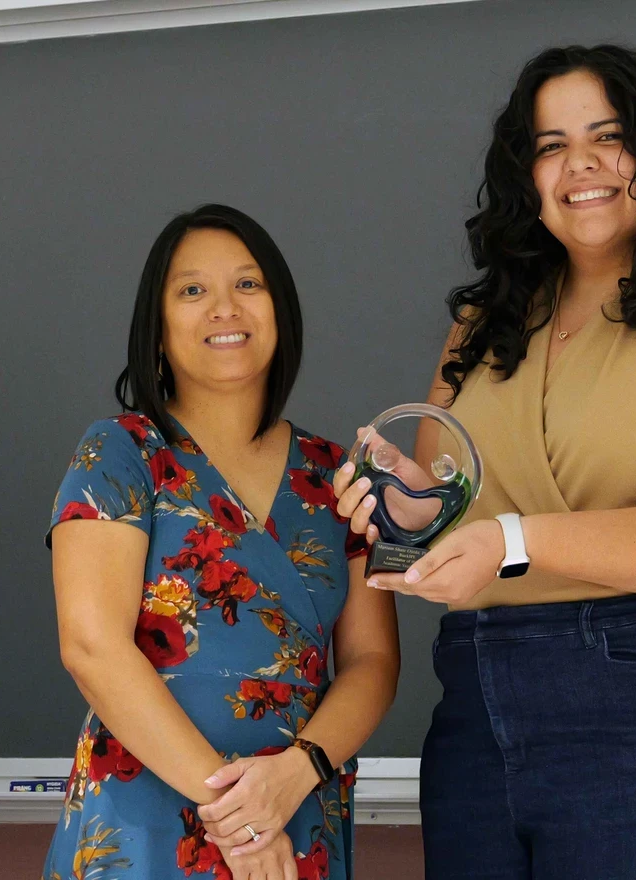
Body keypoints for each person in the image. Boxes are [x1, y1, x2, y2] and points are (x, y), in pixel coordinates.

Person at [334, 45, 636, 880]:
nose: (579, 164)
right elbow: (450, 517)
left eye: (608, 136)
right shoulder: (483, 326)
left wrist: (515, 543)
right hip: (476, 713)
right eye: (551, 145)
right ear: (526, 175)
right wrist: (401, 510)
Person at [44, 203, 399, 880]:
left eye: (248, 283)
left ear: (280, 311)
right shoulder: (121, 452)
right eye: (192, 290)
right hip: (146, 818)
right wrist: (240, 818)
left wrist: (295, 774)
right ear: (157, 327)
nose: (224, 308)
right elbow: (91, 646)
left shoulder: (336, 475)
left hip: (295, 810)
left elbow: (373, 661)